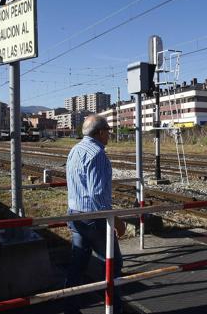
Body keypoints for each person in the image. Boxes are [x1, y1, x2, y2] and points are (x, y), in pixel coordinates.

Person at [64, 115, 126, 314]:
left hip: (75, 215)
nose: (109, 135)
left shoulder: (75, 150)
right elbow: (98, 194)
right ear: (100, 133)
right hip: (94, 218)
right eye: (108, 131)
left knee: (78, 264)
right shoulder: (97, 154)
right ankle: (113, 306)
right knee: (113, 264)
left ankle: (70, 307)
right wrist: (116, 220)